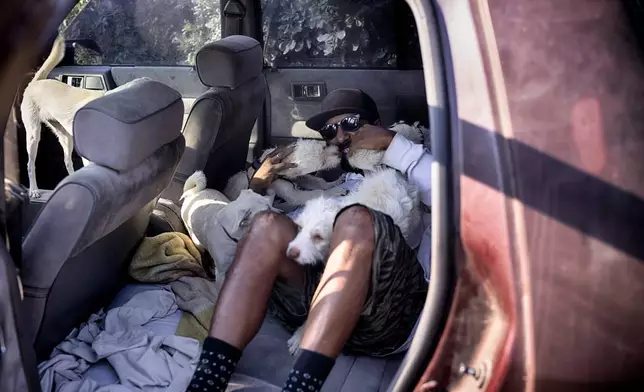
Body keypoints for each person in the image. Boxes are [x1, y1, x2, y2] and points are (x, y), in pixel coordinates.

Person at [186, 89, 433, 392]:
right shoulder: (324, 189)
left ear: (377, 124)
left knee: (355, 219)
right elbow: (240, 237)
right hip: (312, 304)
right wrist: (261, 183)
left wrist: (395, 146)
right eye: (331, 130)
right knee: (267, 225)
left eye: (352, 123)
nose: (341, 136)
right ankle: (206, 381)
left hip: (388, 315)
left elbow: (464, 200)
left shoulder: (411, 171)